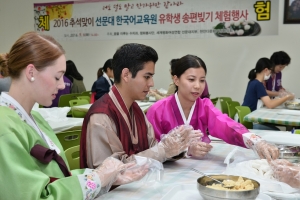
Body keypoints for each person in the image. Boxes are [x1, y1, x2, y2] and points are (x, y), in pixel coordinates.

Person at [0, 32, 148, 200]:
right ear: (31, 72)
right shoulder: (4, 128)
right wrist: (97, 179)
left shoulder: (35, 118)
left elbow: (58, 177)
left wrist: (105, 178)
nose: (63, 84)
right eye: (57, 76)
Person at [80, 43, 201, 169]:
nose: (151, 83)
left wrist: (176, 146)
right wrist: (163, 150)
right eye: (147, 77)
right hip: (117, 189)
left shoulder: (136, 109)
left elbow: (153, 149)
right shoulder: (102, 116)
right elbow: (109, 171)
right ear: (126, 74)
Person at [146, 55, 279, 160]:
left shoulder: (204, 106)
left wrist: (255, 142)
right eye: (191, 79)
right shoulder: (157, 110)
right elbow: (151, 150)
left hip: (198, 169)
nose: (198, 86)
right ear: (176, 80)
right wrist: (186, 150)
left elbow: (227, 125)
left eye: (202, 80)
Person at [242, 58, 294, 130]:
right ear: (266, 70)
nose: (270, 74)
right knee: (277, 130)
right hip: (249, 122)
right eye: (270, 71)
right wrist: (286, 97)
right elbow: (270, 104)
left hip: (245, 118)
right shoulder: (258, 84)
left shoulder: (253, 81)